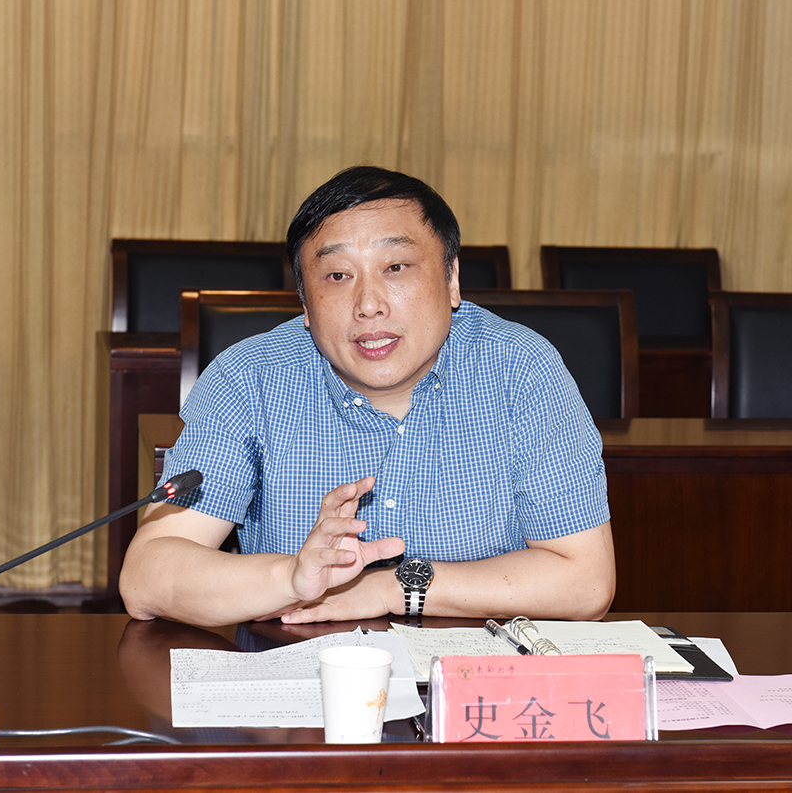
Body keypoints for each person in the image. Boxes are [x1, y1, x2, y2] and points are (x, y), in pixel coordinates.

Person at [119, 166, 615, 627]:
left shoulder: (521, 370)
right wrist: (291, 578)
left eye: (396, 266)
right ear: (305, 302)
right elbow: (147, 576)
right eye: (338, 276)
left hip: (476, 676)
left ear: (452, 279)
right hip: (305, 675)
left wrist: (393, 587)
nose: (369, 305)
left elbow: (585, 582)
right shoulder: (249, 380)